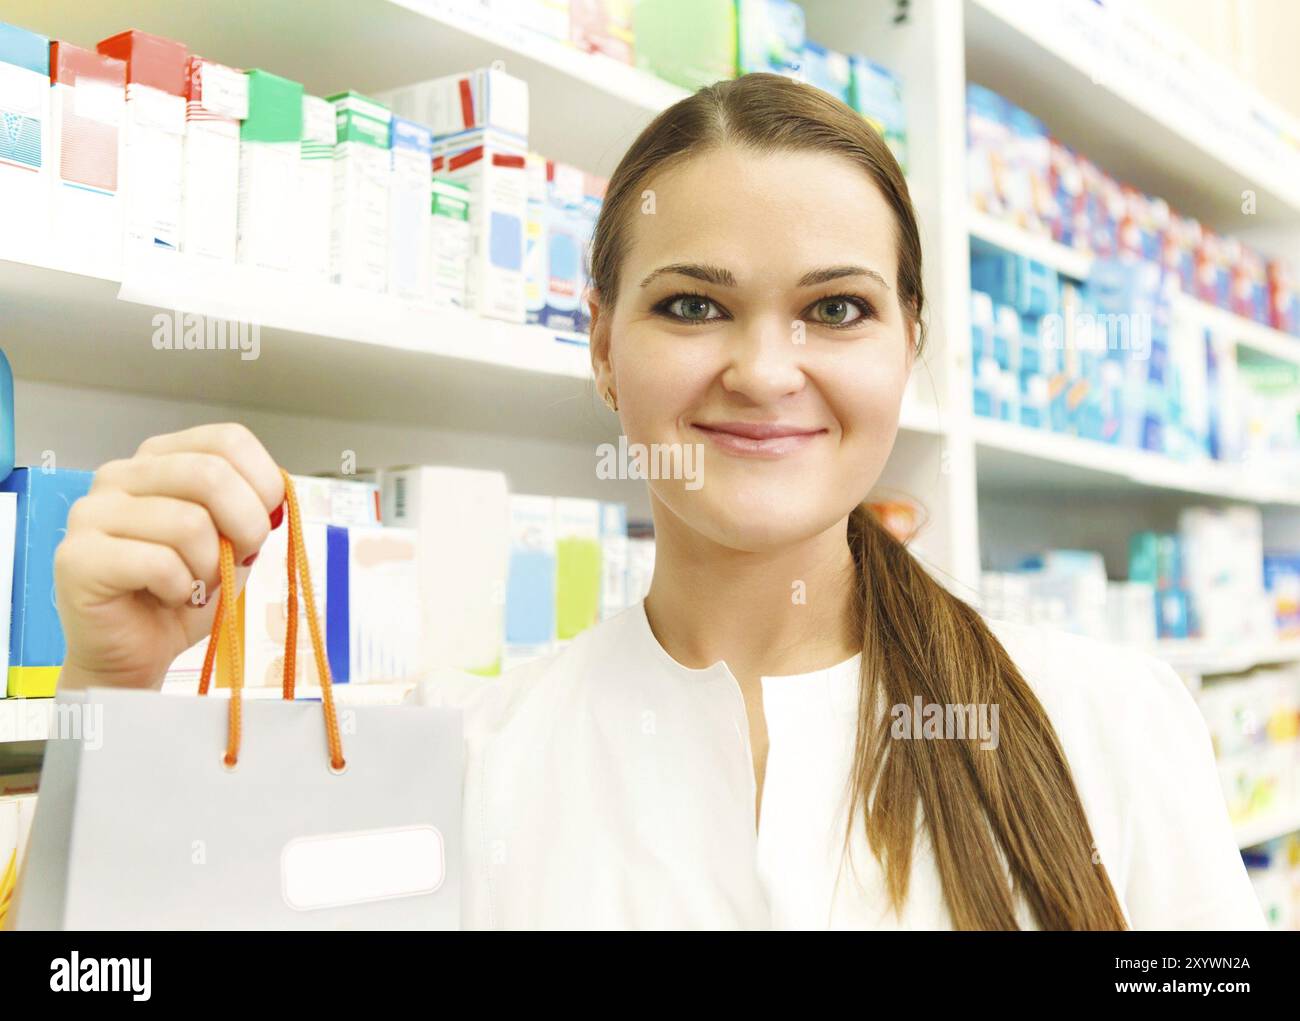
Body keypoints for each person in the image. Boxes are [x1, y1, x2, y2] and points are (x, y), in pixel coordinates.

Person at [33, 73, 1264, 930]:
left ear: (909, 346)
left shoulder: (1106, 725)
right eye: (691, 304)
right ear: (603, 350)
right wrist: (112, 700)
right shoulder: (474, 764)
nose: (765, 371)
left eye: (835, 307)